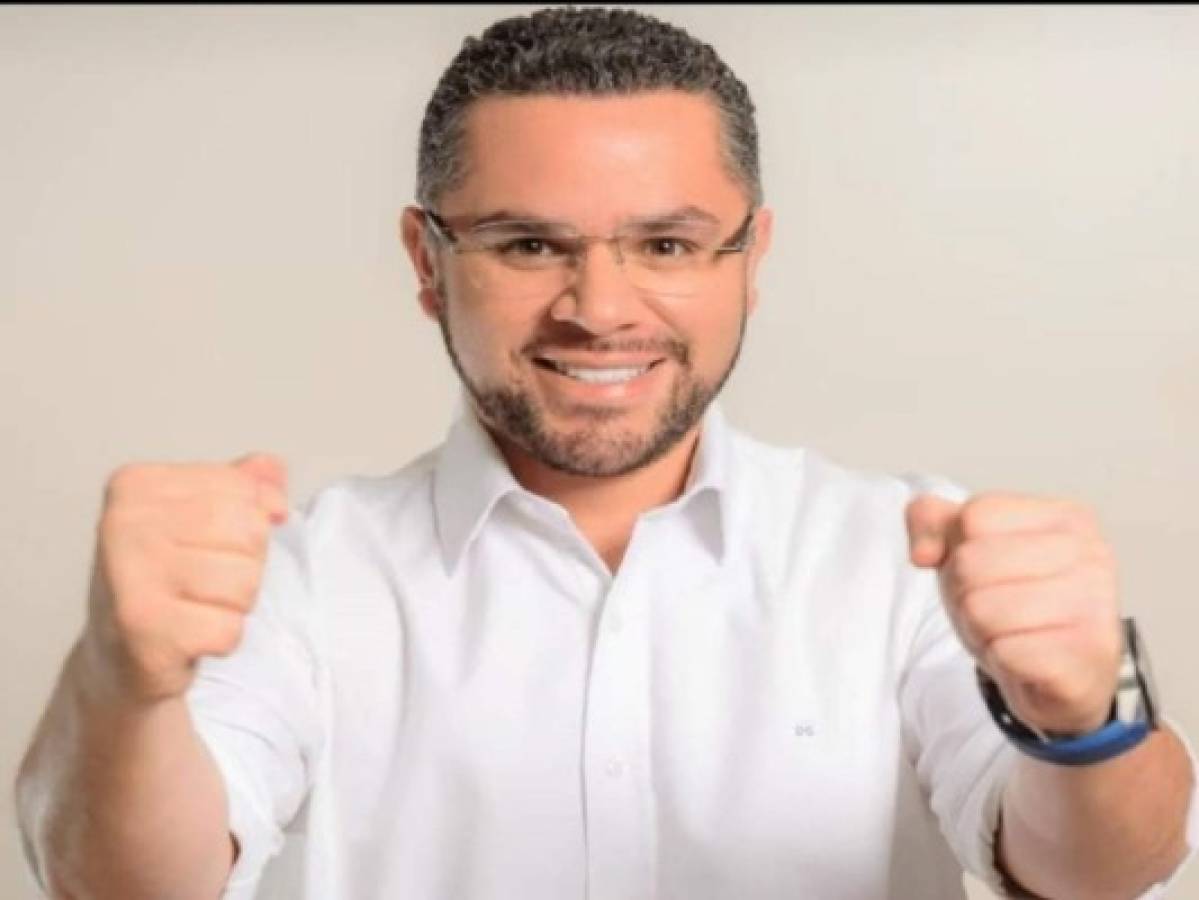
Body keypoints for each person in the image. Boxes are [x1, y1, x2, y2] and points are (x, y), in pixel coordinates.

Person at [14, 7, 1198, 899]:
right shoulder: (295, 578)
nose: (600, 308)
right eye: (529, 244)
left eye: (666, 246)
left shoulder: (902, 557)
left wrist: (1082, 716)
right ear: (427, 263)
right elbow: (119, 885)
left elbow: (1104, 872)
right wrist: (121, 683)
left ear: (749, 257)